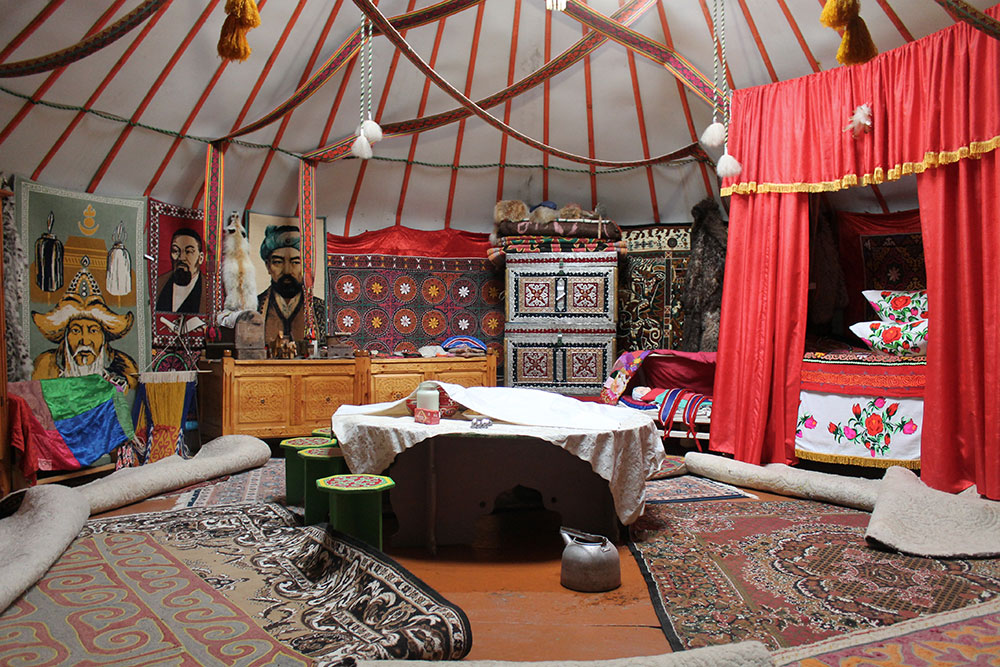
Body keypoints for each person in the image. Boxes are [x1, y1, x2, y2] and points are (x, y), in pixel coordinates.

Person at [32, 258, 138, 391]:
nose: (85, 341)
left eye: (93, 331)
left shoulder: (122, 374)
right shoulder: (45, 367)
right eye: (76, 331)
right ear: (65, 337)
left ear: (104, 339)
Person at [256, 224, 325, 343]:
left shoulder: (320, 308)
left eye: (296, 262)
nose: (287, 270)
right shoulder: (255, 307)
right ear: (268, 266)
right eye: (278, 262)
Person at [155, 227, 206, 314]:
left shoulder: (208, 291)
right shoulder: (159, 283)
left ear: (200, 258)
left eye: (189, 252)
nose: (181, 258)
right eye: (175, 251)